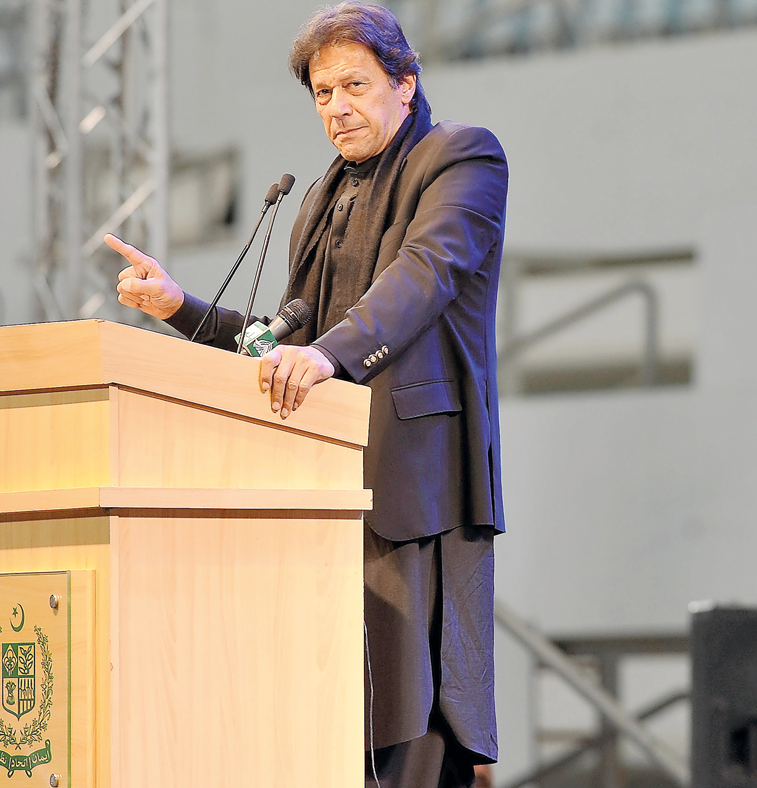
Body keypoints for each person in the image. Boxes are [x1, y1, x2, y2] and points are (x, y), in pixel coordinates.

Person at [106, 3, 508, 786]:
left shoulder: (462, 159)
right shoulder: (321, 198)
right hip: (320, 495)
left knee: (413, 727)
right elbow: (284, 339)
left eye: (355, 85)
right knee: (330, 725)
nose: (337, 107)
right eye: (322, 93)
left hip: (418, 484)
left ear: (404, 82)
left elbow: (422, 279)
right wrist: (180, 308)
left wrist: (326, 357)